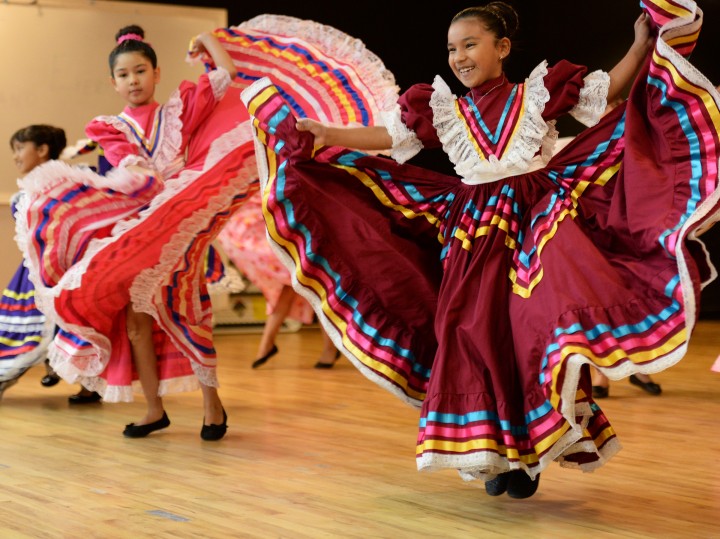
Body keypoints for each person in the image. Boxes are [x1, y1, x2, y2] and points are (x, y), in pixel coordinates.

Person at [240, 1, 720, 499]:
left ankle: (528, 452)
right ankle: (489, 449)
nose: (459, 57)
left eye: (470, 44)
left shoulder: (537, 92)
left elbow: (608, 90)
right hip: (470, 233)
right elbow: (390, 136)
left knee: (526, 334)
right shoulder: (442, 108)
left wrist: (642, 45)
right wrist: (327, 134)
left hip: (535, 227)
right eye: (452, 48)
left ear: (502, 48)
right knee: (467, 332)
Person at [14, 25, 259, 439]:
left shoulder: (179, 110)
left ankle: (212, 406)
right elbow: (131, 168)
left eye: (140, 71)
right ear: (113, 82)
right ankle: (153, 409)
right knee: (135, 325)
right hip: (138, 235)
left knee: (188, 314)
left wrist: (205, 41)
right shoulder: (109, 128)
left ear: (157, 73)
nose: (133, 81)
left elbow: (225, 75)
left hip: (179, 230)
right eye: (124, 75)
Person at [1, 124, 100, 404]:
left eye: (20, 148)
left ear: (42, 150)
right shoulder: (25, 192)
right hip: (33, 272)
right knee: (26, 326)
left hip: (62, 269)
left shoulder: (67, 184)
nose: (15, 156)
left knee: (73, 325)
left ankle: (87, 384)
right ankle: (19, 371)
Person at [216, 191, 339, 369]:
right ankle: (269, 344)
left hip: (294, 204)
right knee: (298, 280)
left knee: (310, 280)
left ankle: (270, 344)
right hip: (276, 203)